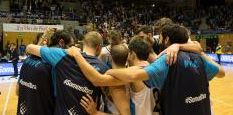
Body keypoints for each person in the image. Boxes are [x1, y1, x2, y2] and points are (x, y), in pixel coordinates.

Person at [68, 24, 225, 115]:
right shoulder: (199, 58)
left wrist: (108, 71)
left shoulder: (168, 59)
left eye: (162, 38)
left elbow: (130, 75)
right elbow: (221, 72)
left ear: (168, 40)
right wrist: (194, 48)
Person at [26, 31, 110, 115]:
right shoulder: (104, 68)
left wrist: (68, 51)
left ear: (83, 43)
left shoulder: (62, 56)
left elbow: (29, 48)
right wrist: (96, 113)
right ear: (99, 47)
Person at [17, 28, 61, 115]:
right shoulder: (51, 66)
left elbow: (17, 91)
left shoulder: (27, 61)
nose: (44, 42)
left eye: (45, 40)